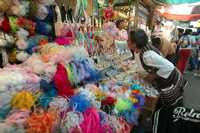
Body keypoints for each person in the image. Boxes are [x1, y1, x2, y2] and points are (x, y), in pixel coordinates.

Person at [128, 29, 188, 133]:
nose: (126, 41)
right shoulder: (143, 50)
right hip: (167, 79)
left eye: (128, 40)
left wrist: (153, 76)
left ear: (135, 43)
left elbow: (169, 67)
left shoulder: (147, 55)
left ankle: (166, 126)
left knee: (170, 109)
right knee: (168, 108)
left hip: (170, 81)